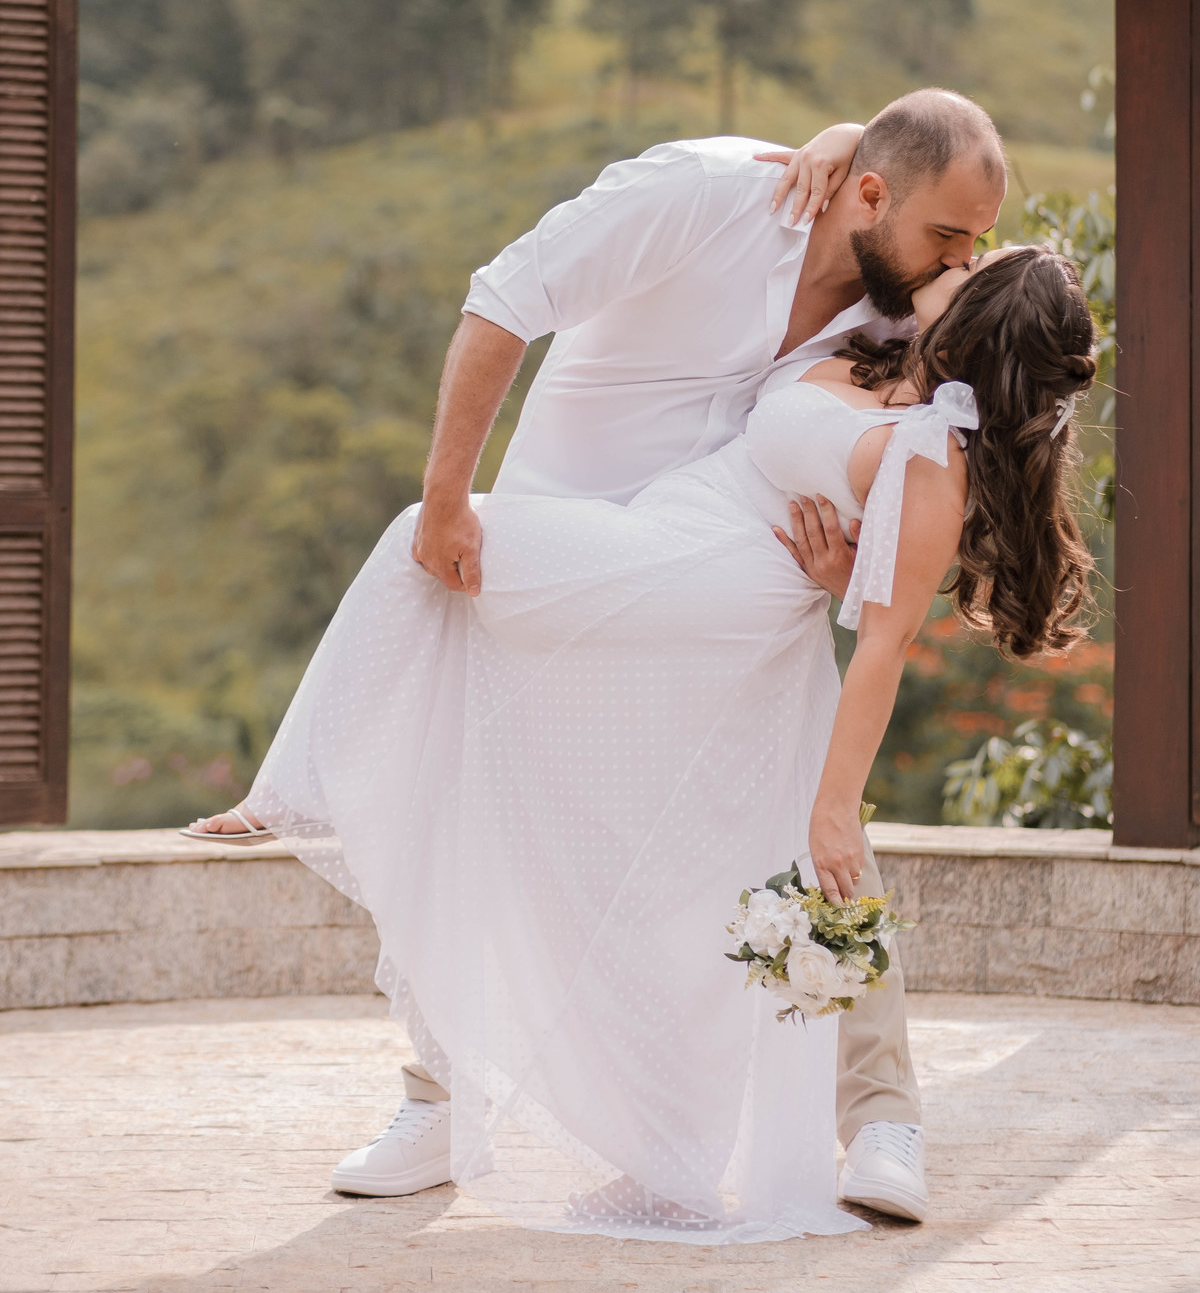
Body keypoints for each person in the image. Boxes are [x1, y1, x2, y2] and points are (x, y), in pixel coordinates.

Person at [185, 92, 1095, 1239]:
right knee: (488, 810)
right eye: (948, 238)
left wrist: (845, 574)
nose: (957, 259)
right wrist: (451, 498)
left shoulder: (912, 307)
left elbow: (949, 467)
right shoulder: (710, 195)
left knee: (811, 839)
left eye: (971, 246)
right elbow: (504, 297)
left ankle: (882, 1121)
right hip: (589, 535)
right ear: (868, 193)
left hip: (737, 588)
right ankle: (448, 1102)